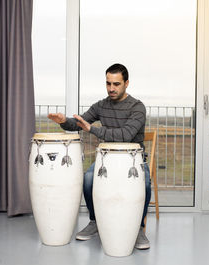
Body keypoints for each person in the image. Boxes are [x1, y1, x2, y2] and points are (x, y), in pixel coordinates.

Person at [47, 63, 151, 250]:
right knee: (88, 179)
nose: (111, 88)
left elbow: (125, 135)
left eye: (116, 84)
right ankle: (95, 221)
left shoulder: (137, 107)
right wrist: (64, 122)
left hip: (133, 159)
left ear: (127, 83)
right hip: (107, 159)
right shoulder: (101, 105)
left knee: (145, 184)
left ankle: (138, 228)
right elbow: (80, 123)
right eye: (108, 83)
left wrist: (93, 129)